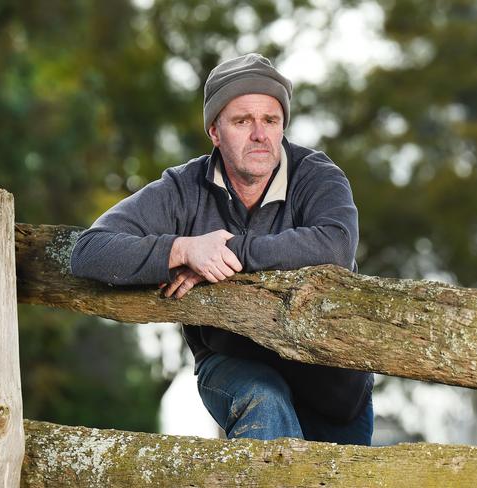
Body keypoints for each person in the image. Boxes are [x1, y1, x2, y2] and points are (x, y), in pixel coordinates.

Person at [70, 53, 374, 445]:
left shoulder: (318, 177)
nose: (260, 134)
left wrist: (227, 254)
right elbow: (90, 250)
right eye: (242, 121)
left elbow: (335, 244)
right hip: (235, 365)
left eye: (271, 120)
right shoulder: (183, 189)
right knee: (264, 398)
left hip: (330, 384)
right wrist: (183, 249)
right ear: (214, 131)